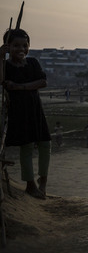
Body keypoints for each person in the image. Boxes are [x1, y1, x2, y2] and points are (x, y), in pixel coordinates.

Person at [0, 28, 52, 199]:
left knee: (45, 143)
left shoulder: (33, 63)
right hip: (19, 110)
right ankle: (30, 184)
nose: (21, 49)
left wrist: (20, 87)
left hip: (35, 108)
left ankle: (43, 181)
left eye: (24, 45)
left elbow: (42, 82)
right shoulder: (6, 66)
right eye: (15, 46)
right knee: (27, 146)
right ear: (8, 47)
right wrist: (1, 57)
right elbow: (3, 81)